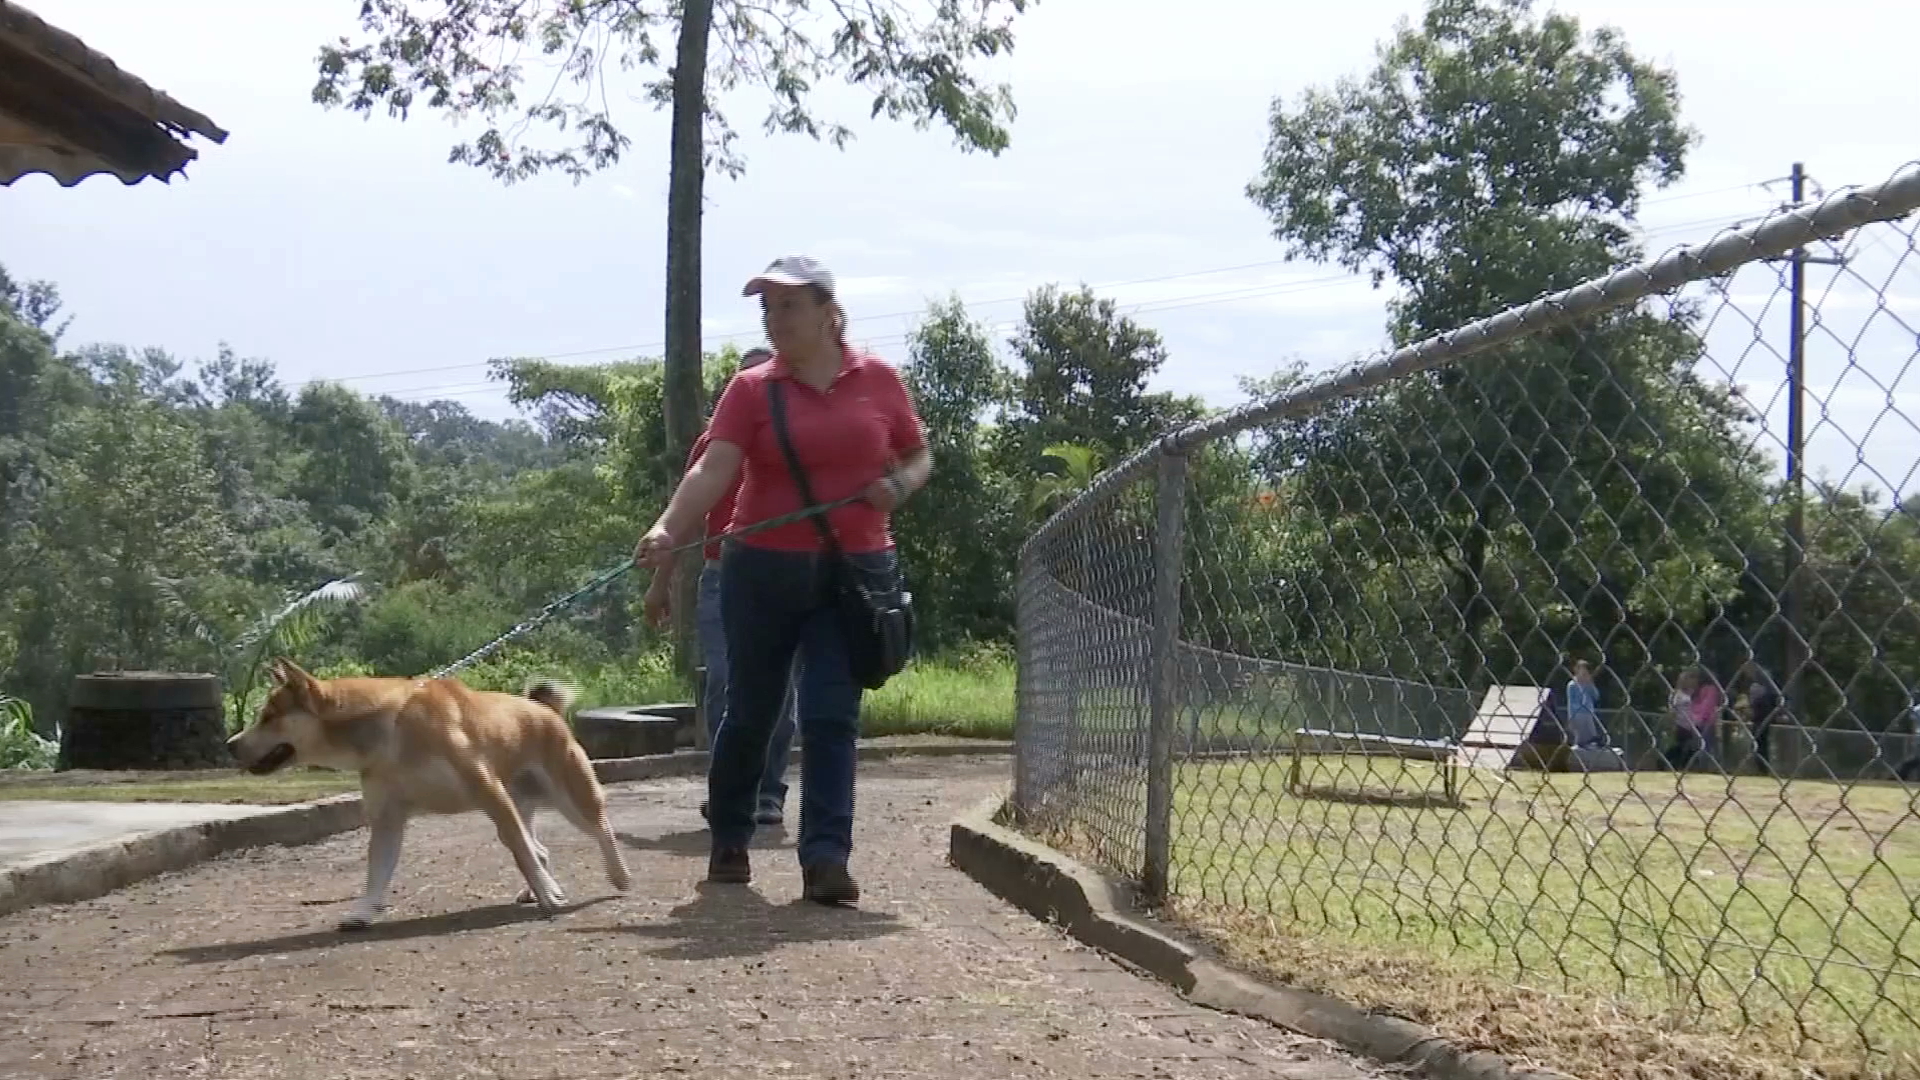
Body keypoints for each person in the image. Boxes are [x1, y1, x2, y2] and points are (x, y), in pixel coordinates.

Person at [635, 255, 932, 906]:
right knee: (752, 712)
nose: (774, 319)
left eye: (787, 305)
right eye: (766, 308)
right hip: (760, 569)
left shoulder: (879, 380)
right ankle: (732, 837)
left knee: (831, 715)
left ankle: (826, 858)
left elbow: (917, 453)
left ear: (829, 314)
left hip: (851, 573)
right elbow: (711, 472)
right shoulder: (751, 390)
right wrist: (668, 531)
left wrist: (900, 485)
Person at [643, 346, 800, 828]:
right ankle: (729, 786)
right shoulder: (715, 442)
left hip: (784, 573)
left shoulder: (796, 438)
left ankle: (769, 791)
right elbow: (686, 519)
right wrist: (660, 583)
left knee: (780, 687)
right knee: (723, 681)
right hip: (721, 576)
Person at [1739, 659, 1782, 776]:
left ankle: (1763, 768)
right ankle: (1760, 767)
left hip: (1763, 715)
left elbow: (1765, 699)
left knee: (1761, 742)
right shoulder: (1755, 682)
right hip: (1759, 715)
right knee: (1758, 742)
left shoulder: (1762, 681)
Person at [1565, 660, 1605, 749]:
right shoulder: (1572, 685)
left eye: (1586, 670)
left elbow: (1596, 696)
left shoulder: (1588, 684)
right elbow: (1571, 702)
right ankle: (1579, 750)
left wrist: (1591, 684)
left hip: (1588, 712)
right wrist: (1571, 717)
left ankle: (1591, 747)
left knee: (1591, 735)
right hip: (1577, 713)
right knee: (1580, 737)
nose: (1584, 672)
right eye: (1582, 670)